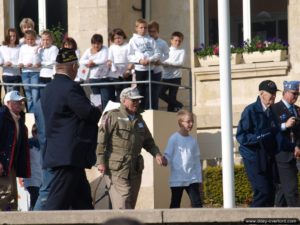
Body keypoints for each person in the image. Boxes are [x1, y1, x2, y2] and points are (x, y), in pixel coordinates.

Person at [40, 48, 102, 210]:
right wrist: (97, 109)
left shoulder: (47, 89)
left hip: (63, 153)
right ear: (74, 67)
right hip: (70, 154)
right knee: (55, 203)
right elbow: (88, 113)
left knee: (83, 202)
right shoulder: (70, 87)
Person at [97, 87, 167, 209]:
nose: (137, 103)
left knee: (131, 202)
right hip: (116, 168)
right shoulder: (112, 116)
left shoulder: (139, 118)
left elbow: (148, 141)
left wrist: (157, 154)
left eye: (138, 100)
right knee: (123, 201)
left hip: (134, 168)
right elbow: (101, 141)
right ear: (124, 100)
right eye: (133, 100)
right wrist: (100, 162)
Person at [236, 80, 281, 207]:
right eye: (270, 93)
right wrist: (260, 137)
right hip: (254, 158)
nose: (273, 96)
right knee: (263, 192)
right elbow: (241, 136)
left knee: (272, 191)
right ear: (261, 93)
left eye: (274, 93)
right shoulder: (250, 110)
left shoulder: (273, 111)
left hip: (268, 157)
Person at [163, 109, 203, 208]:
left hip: (192, 179)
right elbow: (168, 154)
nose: (191, 124)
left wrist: (199, 179)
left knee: (197, 204)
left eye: (192, 121)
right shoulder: (174, 138)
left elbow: (196, 161)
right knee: (175, 204)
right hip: (177, 179)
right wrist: (164, 160)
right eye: (188, 121)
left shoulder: (193, 141)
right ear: (181, 122)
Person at [0, 90, 30, 211]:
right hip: (3, 163)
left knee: (12, 195)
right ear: (8, 103)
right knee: (5, 194)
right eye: (17, 102)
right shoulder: (2, 116)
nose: (20, 104)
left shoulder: (18, 120)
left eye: (21, 102)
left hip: (10, 165)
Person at [272, 80, 300, 207]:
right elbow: (269, 130)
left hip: (296, 154)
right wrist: (284, 125)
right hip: (282, 155)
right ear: (285, 92)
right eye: (293, 93)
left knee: (283, 191)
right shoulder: (274, 109)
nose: (296, 97)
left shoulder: (298, 110)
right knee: (291, 190)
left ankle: (277, 216)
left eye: (298, 94)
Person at [127, 18, 160, 109]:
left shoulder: (151, 40)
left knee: (150, 91)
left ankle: (149, 110)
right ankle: (140, 110)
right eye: (141, 27)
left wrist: (150, 60)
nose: (143, 30)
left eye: (145, 28)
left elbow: (157, 53)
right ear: (136, 28)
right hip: (139, 70)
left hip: (150, 69)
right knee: (140, 91)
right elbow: (129, 55)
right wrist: (139, 60)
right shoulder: (133, 40)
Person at [79, 34, 109, 110]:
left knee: (105, 99)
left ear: (101, 43)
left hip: (104, 78)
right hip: (93, 79)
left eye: (98, 43)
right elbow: (81, 61)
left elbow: (103, 59)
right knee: (96, 100)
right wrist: (89, 62)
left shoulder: (105, 49)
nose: (96, 45)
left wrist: (93, 63)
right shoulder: (88, 50)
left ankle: (105, 117)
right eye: (94, 43)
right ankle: (97, 116)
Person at [160, 31, 185, 112]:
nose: (177, 42)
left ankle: (170, 113)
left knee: (172, 96)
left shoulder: (181, 51)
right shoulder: (167, 50)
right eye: (176, 40)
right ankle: (178, 104)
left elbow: (180, 63)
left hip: (176, 77)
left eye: (179, 41)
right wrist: (165, 64)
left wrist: (169, 63)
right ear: (171, 40)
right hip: (165, 76)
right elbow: (162, 61)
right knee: (159, 93)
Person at [107, 28, 134, 101]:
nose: (117, 40)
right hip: (116, 74)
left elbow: (131, 59)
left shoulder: (128, 46)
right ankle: (119, 109)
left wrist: (128, 70)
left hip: (126, 74)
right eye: (115, 38)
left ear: (123, 37)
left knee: (126, 93)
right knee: (118, 92)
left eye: (119, 37)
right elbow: (110, 59)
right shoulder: (112, 47)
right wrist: (109, 63)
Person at [148, 21, 169, 110]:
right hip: (146, 69)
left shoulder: (162, 43)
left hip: (157, 70)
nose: (152, 33)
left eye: (154, 31)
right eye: (150, 31)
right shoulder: (146, 41)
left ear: (158, 31)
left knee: (155, 93)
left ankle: (155, 111)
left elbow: (167, 54)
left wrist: (160, 61)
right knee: (146, 93)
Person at [18, 30, 41, 113]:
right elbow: (20, 59)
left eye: (32, 39)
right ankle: (31, 113)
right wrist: (21, 64)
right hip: (25, 73)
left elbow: (40, 60)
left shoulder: (38, 47)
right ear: (25, 39)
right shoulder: (22, 47)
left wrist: (37, 64)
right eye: (28, 39)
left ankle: (37, 113)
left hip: (35, 73)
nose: (30, 41)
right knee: (28, 95)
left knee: (35, 94)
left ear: (35, 38)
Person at [23, 124, 42, 210]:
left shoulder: (29, 143)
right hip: (33, 179)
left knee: (35, 199)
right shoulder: (31, 143)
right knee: (35, 199)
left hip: (34, 179)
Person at [0, 28, 22, 93]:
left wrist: (16, 65)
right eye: (10, 36)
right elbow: (0, 61)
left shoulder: (19, 47)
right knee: (8, 96)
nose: (12, 38)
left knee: (15, 95)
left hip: (17, 75)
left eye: (14, 36)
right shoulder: (2, 48)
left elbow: (21, 60)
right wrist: (4, 64)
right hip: (6, 75)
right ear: (7, 37)